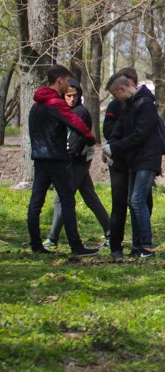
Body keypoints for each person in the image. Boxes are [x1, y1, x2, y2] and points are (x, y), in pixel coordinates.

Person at [25, 65, 100, 256]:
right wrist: (90, 140)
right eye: (67, 81)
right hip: (57, 160)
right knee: (67, 201)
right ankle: (76, 246)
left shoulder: (36, 105)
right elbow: (76, 124)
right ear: (59, 80)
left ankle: (35, 245)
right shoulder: (56, 103)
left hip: (39, 159)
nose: (69, 84)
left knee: (36, 202)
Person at [43, 78, 109, 250]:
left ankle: (52, 239)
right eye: (68, 95)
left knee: (61, 199)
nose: (72, 99)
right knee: (90, 198)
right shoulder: (63, 110)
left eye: (75, 95)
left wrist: (64, 161)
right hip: (74, 162)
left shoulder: (80, 112)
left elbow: (76, 141)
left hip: (75, 162)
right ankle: (111, 233)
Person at [104, 74, 162, 258]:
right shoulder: (128, 105)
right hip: (134, 160)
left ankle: (146, 246)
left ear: (122, 89)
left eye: (115, 94)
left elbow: (140, 134)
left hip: (147, 158)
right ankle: (137, 247)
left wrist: (115, 147)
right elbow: (118, 129)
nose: (116, 99)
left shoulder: (145, 104)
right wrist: (110, 146)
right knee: (132, 201)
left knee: (137, 200)